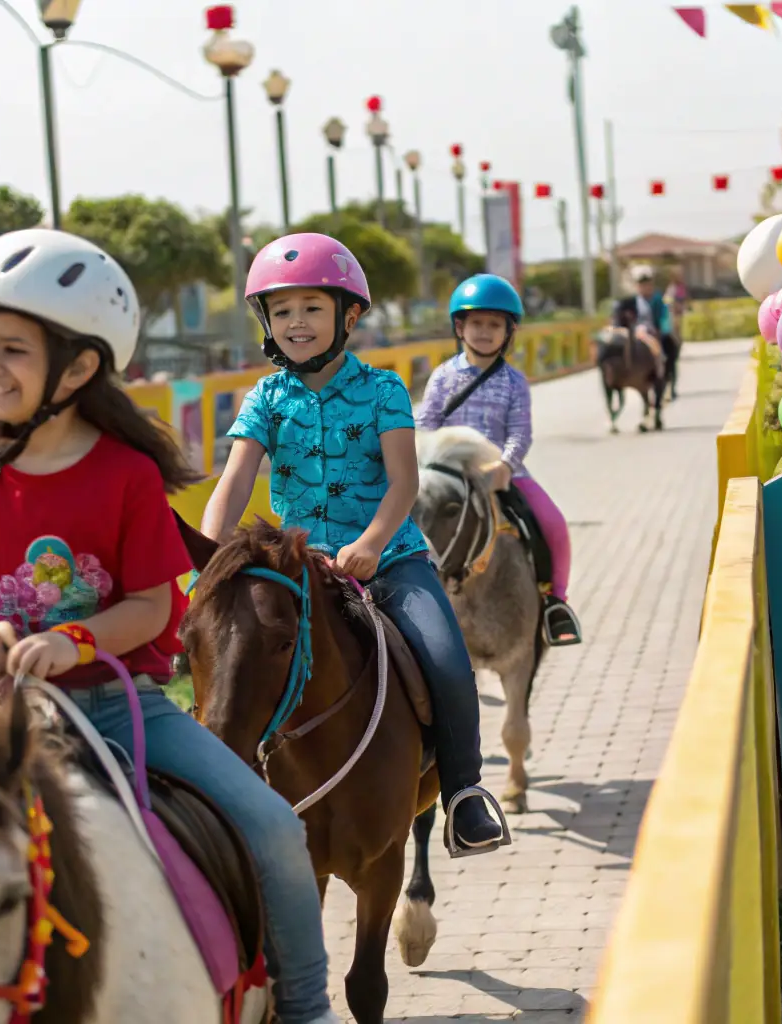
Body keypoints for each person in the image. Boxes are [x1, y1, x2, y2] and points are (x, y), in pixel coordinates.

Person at [0, 229, 339, 1024]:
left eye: (14, 350)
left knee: (271, 827)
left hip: (117, 703)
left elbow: (154, 605)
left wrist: (75, 640)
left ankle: (307, 1011)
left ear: (78, 366)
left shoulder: (125, 474)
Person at [201, 232, 509, 857]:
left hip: (390, 561)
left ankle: (465, 794)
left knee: (448, 661)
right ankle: (212, 786)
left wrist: (371, 542)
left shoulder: (383, 390)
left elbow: (404, 482)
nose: (296, 323)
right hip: (297, 570)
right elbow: (233, 483)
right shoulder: (264, 398)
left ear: (349, 315)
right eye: (282, 311)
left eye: (311, 308)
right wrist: (207, 561)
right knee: (222, 658)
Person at [415, 273, 582, 647]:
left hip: (501, 472)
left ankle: (556, 603)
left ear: (509, 331)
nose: (485, 332)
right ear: (460, 327)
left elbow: (520, 433)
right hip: (446, 475)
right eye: (477, 323)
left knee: (554, 524)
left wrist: (504, 467)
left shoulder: (515, 382)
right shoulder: (443, 377)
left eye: (495, 324)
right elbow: (425, 425)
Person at [612, 265, 671, 379]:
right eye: (641, 285)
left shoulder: (658, 299)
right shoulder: (631, 302)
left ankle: (660, 370)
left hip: (652, 330)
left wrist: (663, 329)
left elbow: (664, 316)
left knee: (662, 346)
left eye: (647, 285)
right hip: (634, 331)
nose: (645, 288)